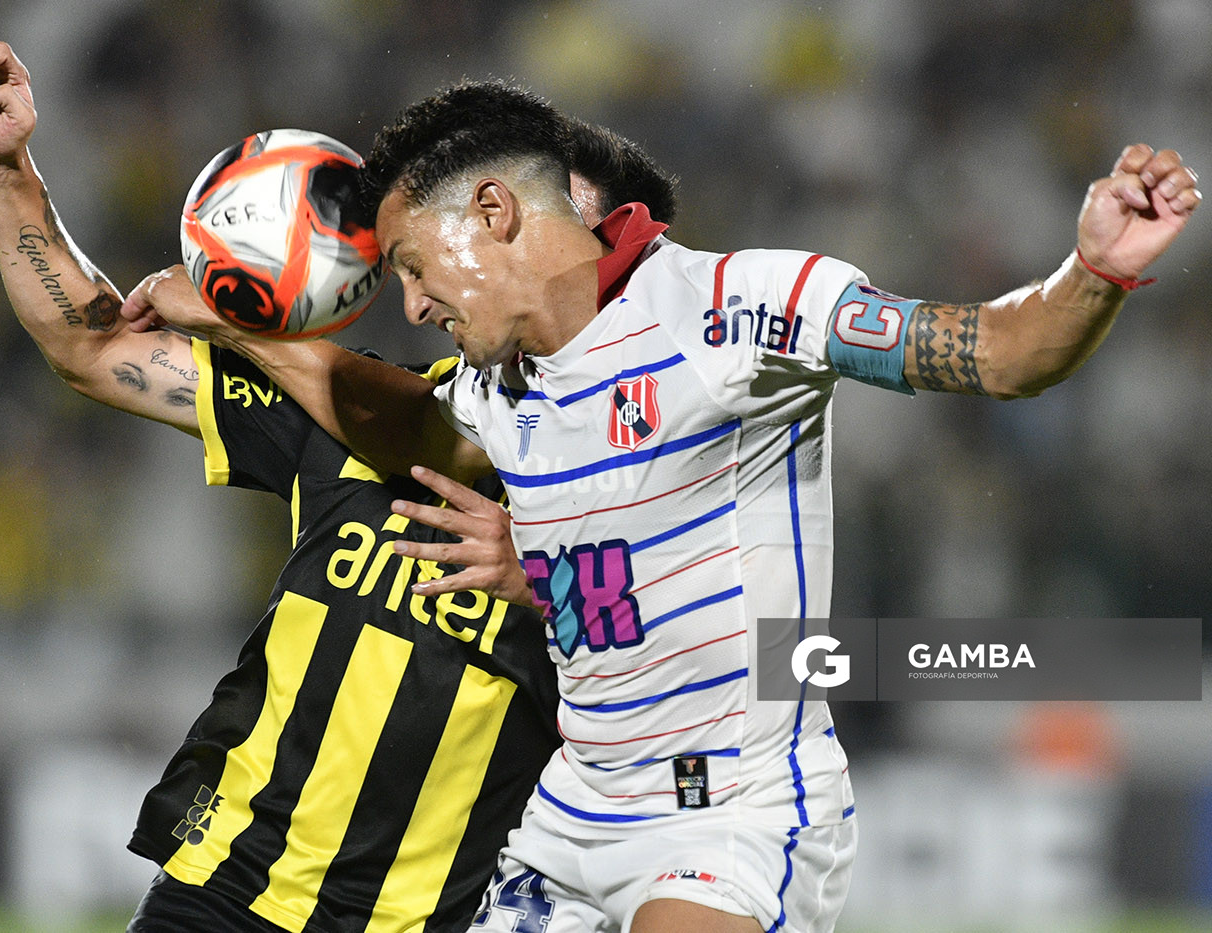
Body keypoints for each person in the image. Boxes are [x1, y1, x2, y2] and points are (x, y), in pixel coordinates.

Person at [120, 80, 1200, 933]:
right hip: (565, 814)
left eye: (410, 266)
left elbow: (1000, 355)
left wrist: (1090, 273)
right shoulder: (502, 383)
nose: (407, 302)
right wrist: (245, 327)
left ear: (492, 211)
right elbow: (408, 426)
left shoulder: (736, 312)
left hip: (723, 812)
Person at [0, 44, 681, 933]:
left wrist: (247, 330)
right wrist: (8, 169)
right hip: (221, 892)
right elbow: (91, 347)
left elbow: (714, 667)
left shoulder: (656, 483)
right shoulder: (350, 408)